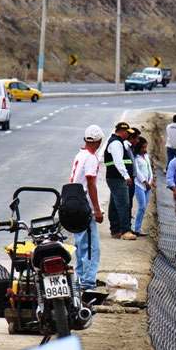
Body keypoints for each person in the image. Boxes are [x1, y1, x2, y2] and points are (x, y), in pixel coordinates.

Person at [69, 125, 105, 291]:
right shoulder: (91, 158)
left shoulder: (80, 154)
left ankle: (80, 280)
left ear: (85, 139)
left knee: (80, 245)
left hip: (73, 205)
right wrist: (96, 209)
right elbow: (90, 182)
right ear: (99, 141)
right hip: (85, 208)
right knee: (91, 247)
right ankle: (87, 283)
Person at [104, 122, 137, 241]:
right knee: (124, 204)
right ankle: (125, 230)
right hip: (117, 178)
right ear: (123, 132)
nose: (127, 135)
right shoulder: (116, 143)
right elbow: (118, 161)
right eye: (127, 133)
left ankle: (115, 230)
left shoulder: (117, 142)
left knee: (114, 204)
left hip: (114, 178)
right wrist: (126, 176)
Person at [133, 136, 153, 237]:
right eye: (142, 147)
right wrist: (145, 181)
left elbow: (149, 169)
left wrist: (151, 180)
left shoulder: (146, 156)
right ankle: (136, 228)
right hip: (140, 184)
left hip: (148, 185)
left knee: (144, 207)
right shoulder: (136, 158)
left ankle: (138, 227)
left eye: (145, 147)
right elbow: (137, 172)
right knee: (142, 206)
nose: (144, 149)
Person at [125, 128, 142, 213]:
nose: (138, 141)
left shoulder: (131, 148)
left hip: (131, 179)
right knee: (127, 204)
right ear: (132, 138)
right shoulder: (126, 147)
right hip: (128, 180)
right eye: (137, 138)